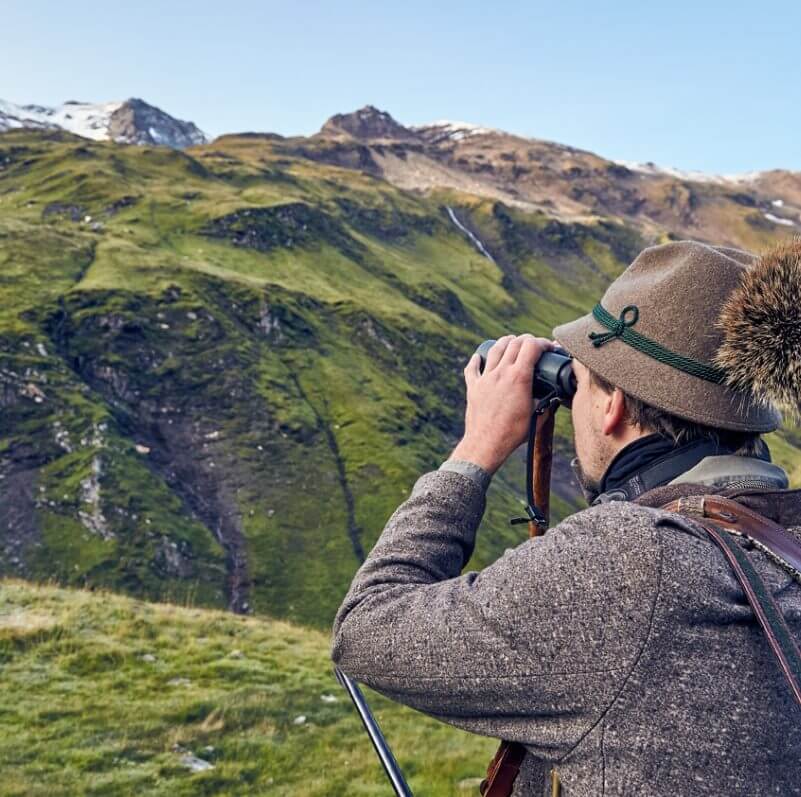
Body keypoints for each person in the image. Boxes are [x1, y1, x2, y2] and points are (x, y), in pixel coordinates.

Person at [331, 239, 801, 796]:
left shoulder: (632, 564)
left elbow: (365, 628)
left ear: (612, 407)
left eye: (578, 380)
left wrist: (475, 449)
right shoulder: (783, 543)